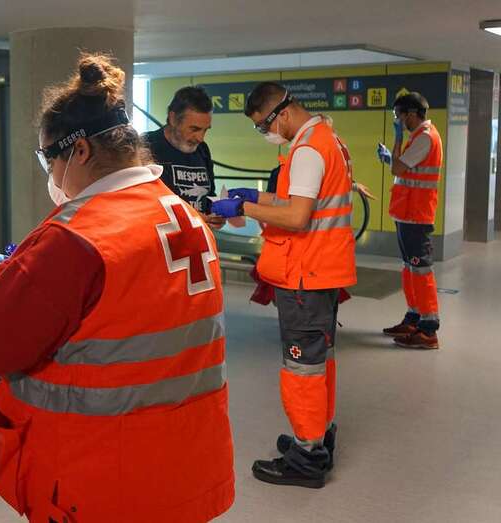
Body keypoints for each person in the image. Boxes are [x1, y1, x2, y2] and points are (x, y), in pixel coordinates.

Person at [0, 53, 235, 522]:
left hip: (104, 477)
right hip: (185, 464)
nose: (49, 171)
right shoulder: (181, 215)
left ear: (79, 151)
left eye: (50, 157)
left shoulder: (77, 237)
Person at [212, 82, 357, 488]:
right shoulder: (328, 140)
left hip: (304, 275)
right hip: (324, 269)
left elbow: (297, 218)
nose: (266, 134)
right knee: (320, 357)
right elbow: (301, 201)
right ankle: (319, 434)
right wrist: (258, 195)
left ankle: (307, 456)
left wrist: (243, 207)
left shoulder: (308, 149)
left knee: (301, 365)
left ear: (284, 112)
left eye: (264, 126)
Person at [376, 92, 442, 349]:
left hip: (417, 214)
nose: (398, 121)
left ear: (411, 114)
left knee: (420, 268)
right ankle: (414, 317)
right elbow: (403, 167)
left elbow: (398, 169)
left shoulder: (425, 137)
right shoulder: (420, 137)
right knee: (410, 267)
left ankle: (428, 329)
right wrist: (391, 157)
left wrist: (397, 138)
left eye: (399, 116)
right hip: (407, 213)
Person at [143, 86, 225, 229]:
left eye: (205, 130)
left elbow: (209, 195)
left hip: (196, 242)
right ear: (173, 118)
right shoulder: (145, 146)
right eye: (194, 129)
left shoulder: (202, 150)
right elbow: (138, 205)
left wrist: (216, 214)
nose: (200, 138)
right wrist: (189, 217)